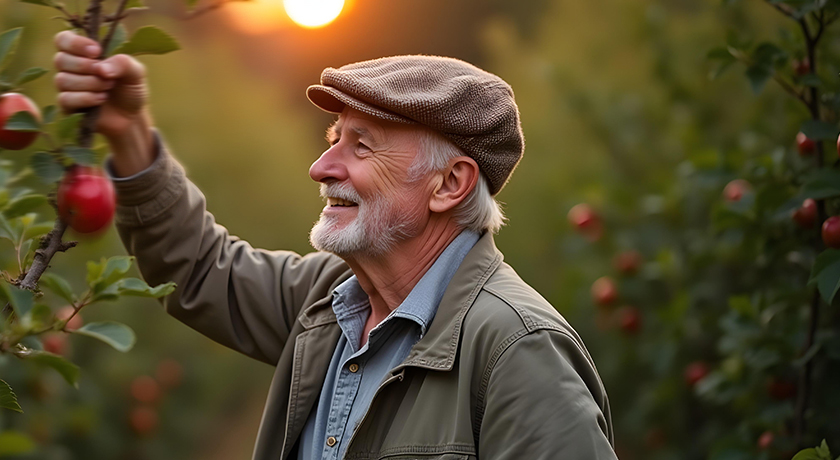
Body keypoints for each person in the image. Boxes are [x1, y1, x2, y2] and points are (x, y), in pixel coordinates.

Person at [52, 30, 617, 460]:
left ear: (449, 184)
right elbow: (198, 268)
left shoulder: (517, 352)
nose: (321, 167)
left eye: (362, 147)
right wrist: (127, 132)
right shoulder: (327, 302)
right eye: (333, 140)